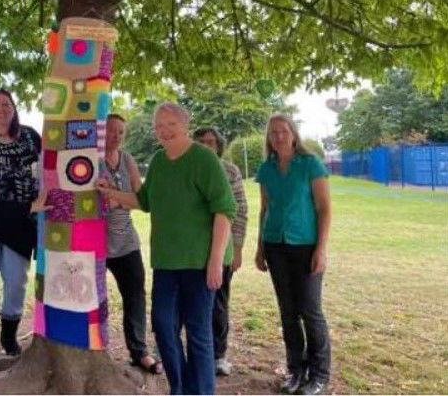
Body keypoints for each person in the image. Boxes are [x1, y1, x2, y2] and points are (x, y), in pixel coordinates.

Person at [98, 103, 237, 395]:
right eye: (159, 126)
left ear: (186, 125)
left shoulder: (204, 159)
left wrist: (215, 261)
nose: (164, 131)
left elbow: (225, 210)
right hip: (166, 263)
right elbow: (144, 200)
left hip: (200, 263)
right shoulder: (159, 161)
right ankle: (181, 388)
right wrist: (110, 194)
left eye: (170, 124)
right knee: (163, 328)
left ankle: (202, 391)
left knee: (198, 333)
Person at [254, 114, 332, 395]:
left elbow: (324, 209)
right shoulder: (267, 169)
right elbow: (265, 209)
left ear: (293, 134)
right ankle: (296, 371)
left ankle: (319, 374)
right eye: (272, 133)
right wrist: (260, 247)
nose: (278, 137)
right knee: (288, 313)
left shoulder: (310, 165)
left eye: (282, 131)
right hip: (276, 246)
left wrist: (321, 250)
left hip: (306, 247)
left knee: (310, 311)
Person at [0, 89, 45, 370]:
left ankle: (9, 337)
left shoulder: (29, 136)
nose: (1, 110)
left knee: (16, 282)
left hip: (21, 223)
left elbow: (46, 169)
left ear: (14, 108)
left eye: (6, 104)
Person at [104, 114, 162, 374]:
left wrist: (115, 199)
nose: (115, 136)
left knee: (136, 297)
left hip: (126, 242)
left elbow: (141, 199)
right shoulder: (90, 159)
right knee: (92, 298)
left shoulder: (127, 160)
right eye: (111, 131)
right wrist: (119, 200)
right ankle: (94, 348)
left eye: (120, 132)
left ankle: (139, 352)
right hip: (95, 244)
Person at [193, 127, 248, 377]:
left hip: (222, 250)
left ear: (219, 146)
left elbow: (240, 211)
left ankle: (218, 355)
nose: (206, 146)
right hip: (191, 250)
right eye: (201, 142)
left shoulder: (230, 171)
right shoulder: (188, 167)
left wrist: (237, 249)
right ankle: (192, 352)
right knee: (188, 303)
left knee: (218, 303)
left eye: (211, 143)